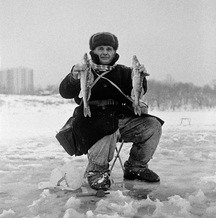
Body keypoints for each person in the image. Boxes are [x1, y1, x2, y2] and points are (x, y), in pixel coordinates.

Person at [59, 32, 164, 190]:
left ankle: (136, 167)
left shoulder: (125, 72)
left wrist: (141, 77)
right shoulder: (85, 70)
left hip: (120, 120)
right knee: (106, 125)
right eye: (100, 48)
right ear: (93, 51)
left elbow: (138, 91)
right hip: (91, 123)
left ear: (115, 52)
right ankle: (96, 171)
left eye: (109, 48)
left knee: (152, 125)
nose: (105, 52)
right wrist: (73, 77)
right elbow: (65, 92)